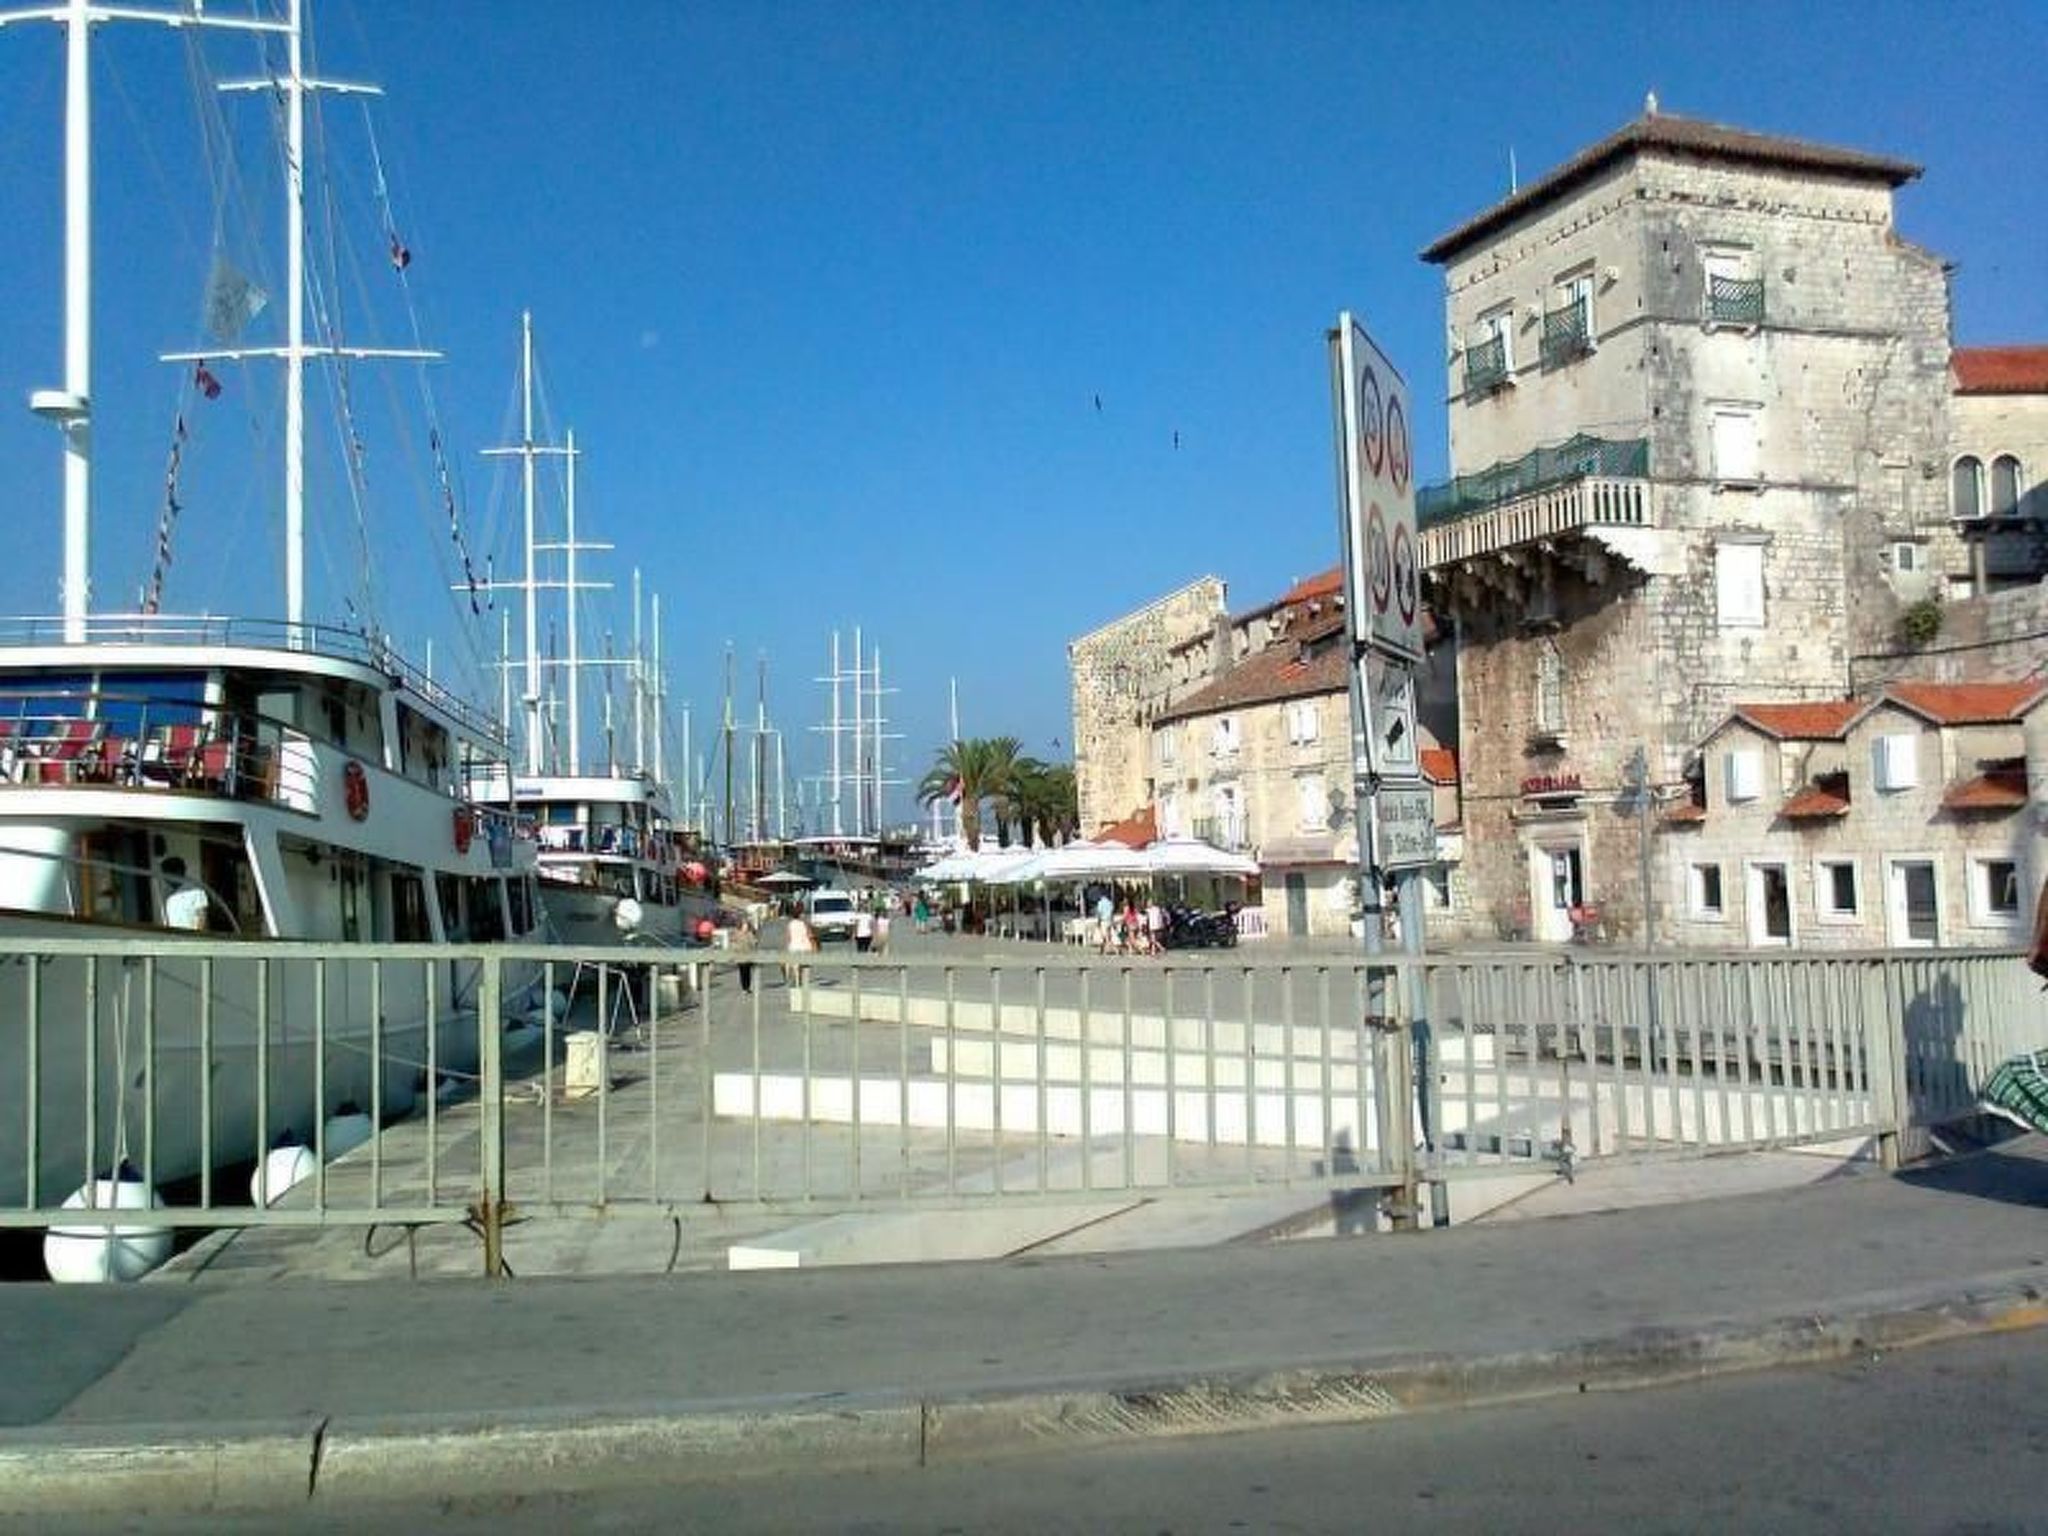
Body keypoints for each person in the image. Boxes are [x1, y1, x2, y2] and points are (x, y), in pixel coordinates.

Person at [160, 857, 208, 931]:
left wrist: (197, 938)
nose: (165, 878)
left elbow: (202, 917)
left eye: (167, 874)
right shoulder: (167, 891)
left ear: (178, 872)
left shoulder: (195, 890)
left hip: (190, 938)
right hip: (172, 937)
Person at [732, 915, 759, 994]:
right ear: (741, 926)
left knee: (748, 972)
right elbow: (733, 943)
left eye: (747, 925)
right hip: (740, 957)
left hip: (749, 957)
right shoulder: (737, 933)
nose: (746, 927)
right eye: (744, 925)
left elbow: (754, 943)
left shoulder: (750, 934)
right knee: (742, 972)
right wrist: (736, 949)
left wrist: (755, 940)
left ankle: (748, 987)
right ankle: (744, 988)